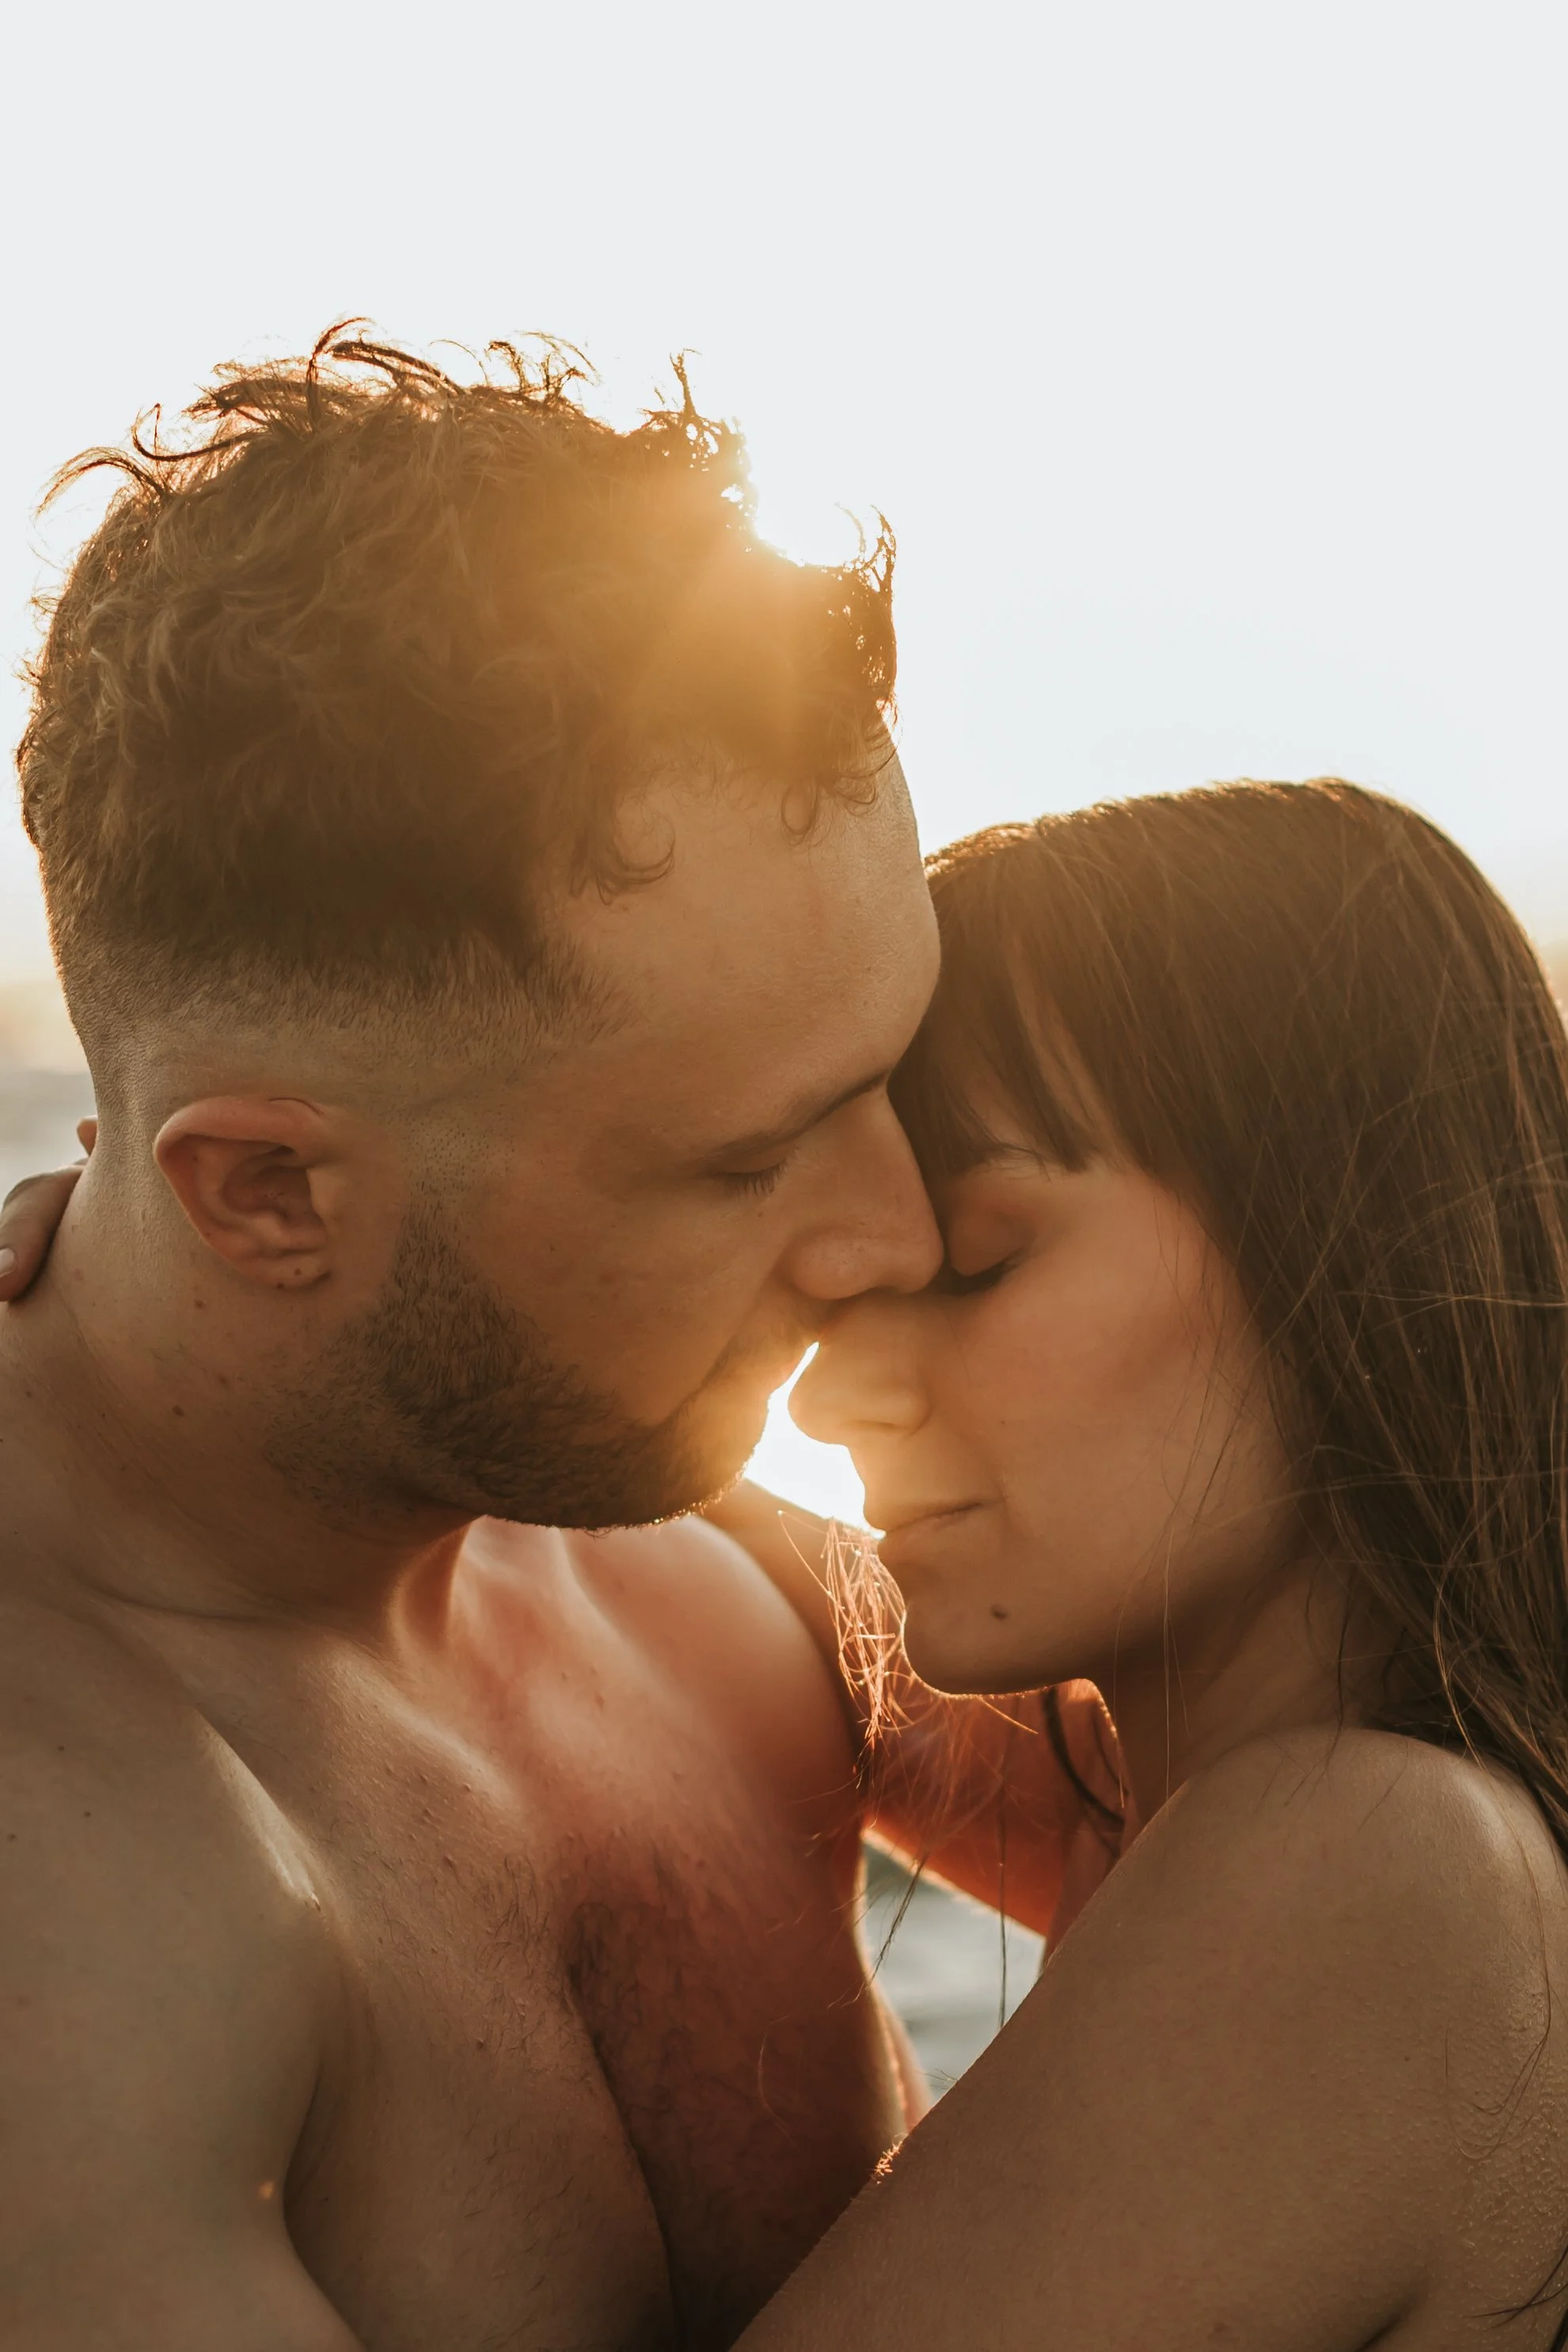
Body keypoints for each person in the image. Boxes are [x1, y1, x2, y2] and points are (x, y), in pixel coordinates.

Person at [0, 330, 1114, 2351]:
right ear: (266, 1195)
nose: (896, 1232)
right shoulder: (71, 1954)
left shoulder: (697, 1554)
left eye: (899, 1070)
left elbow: (1375, 1832)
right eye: (742, 1158)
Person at [723, 780, 1568, 2350]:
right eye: (840, 1294)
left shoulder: (1358, 1861)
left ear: (1350, 1239)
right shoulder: (1371, 1827)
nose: (833, 1394)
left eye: (977, 1263)